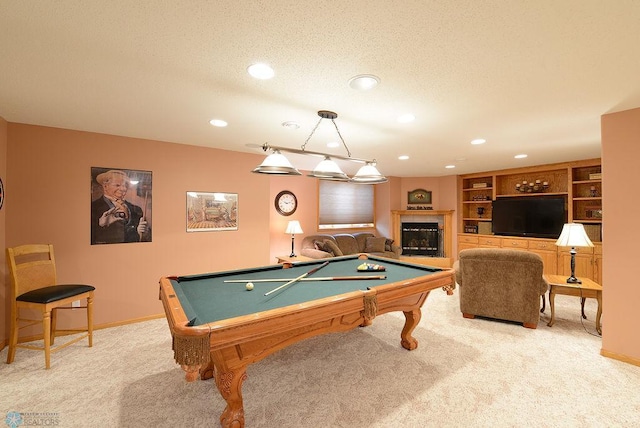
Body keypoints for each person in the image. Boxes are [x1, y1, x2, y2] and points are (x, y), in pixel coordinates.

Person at [91, 169, 150, 244]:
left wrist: (143, 233)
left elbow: (145, 239)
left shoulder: (136, 209)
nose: (123, 189)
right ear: (105, 186)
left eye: (125, 185)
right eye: (117, 185)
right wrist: (101, 226)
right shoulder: (93, 207)